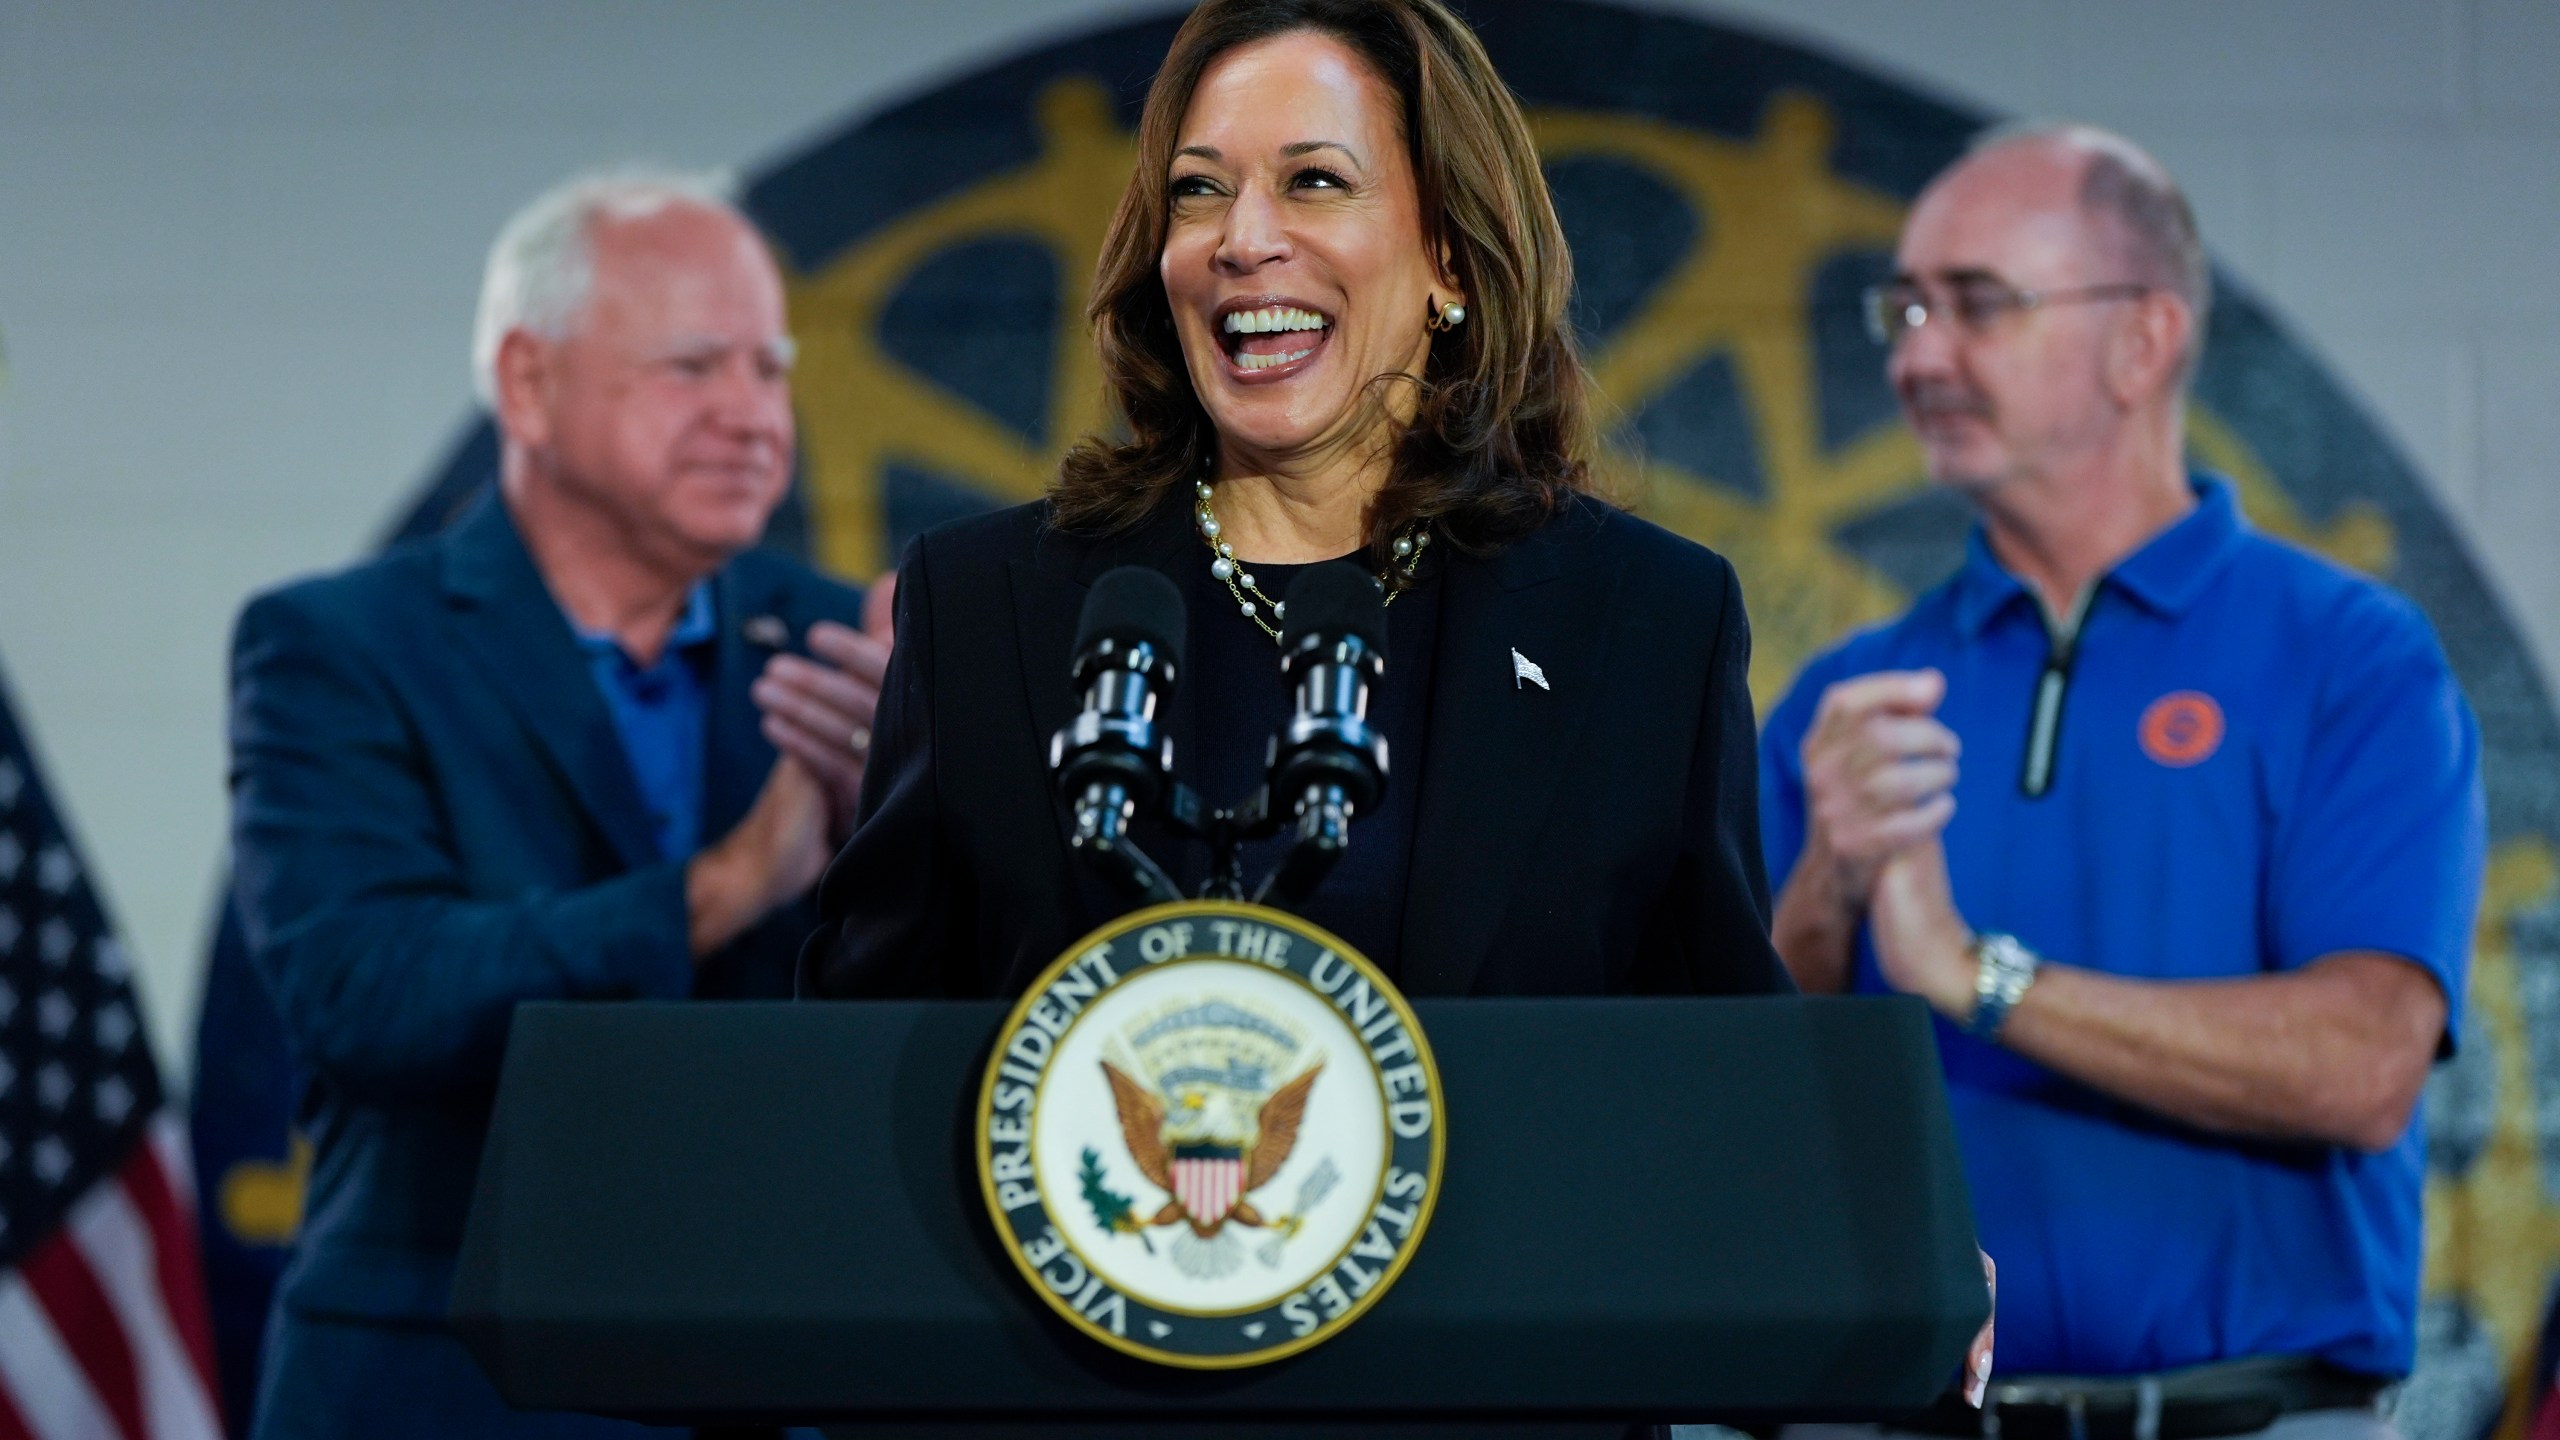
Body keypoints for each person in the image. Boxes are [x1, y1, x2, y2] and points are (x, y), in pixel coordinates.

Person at [800, 0, 1788, 1004]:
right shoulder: (979, 610)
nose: (1242, 239)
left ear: (1449, 251)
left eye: (1314, 181)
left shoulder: (1651, 623)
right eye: (1197, 192)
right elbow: (856, 1068)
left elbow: (1717, 1086)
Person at [1760, 124, 2484, 1439]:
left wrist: (1973, 973)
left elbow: (2363, 1061)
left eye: (1977, 304)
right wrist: (1824, 893)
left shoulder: (2349, 658)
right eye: (1905, 307)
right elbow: (1727, 1108)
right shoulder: (1846, 700)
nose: (1917, 355)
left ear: (2143, 341)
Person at [228, 170, 888, 1439]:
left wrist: (896, 860)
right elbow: (370, 993)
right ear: (527, 382)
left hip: (768, 1384)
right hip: (442, 1388)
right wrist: (726, 887)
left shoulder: (840, 648)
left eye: (772, 368)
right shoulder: (339, 648)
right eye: (695, 368)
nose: (755, 418)